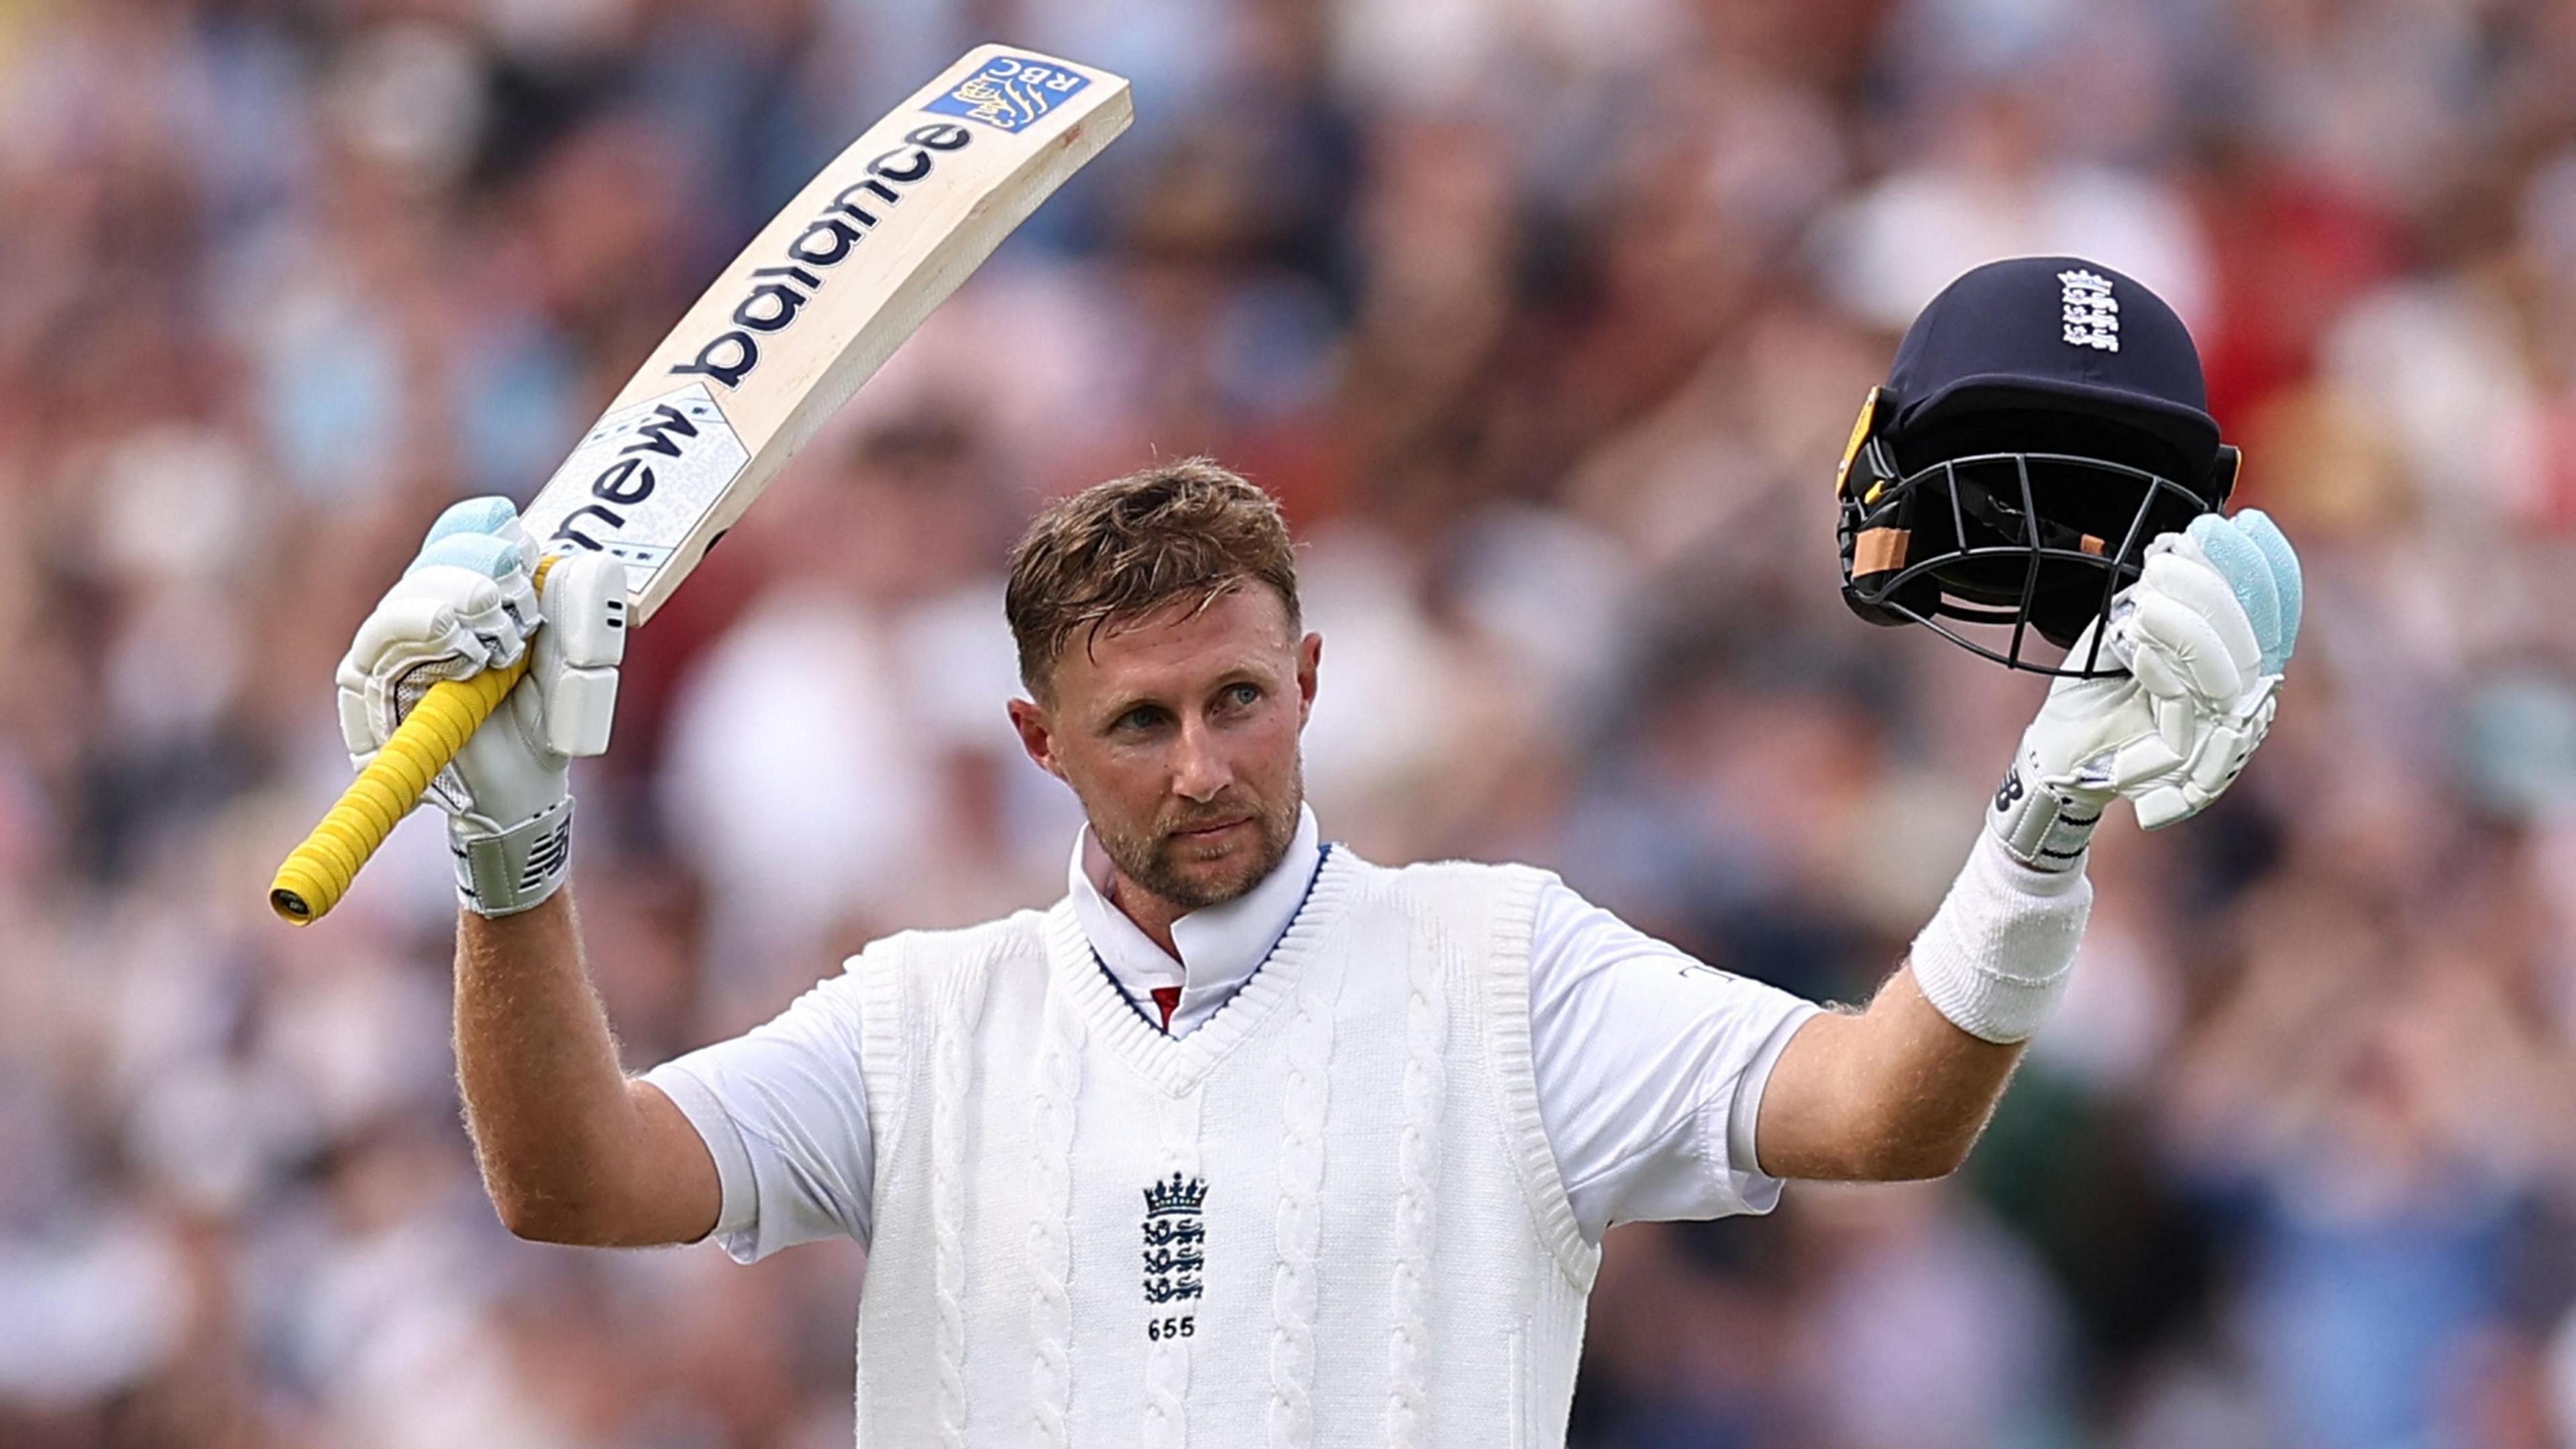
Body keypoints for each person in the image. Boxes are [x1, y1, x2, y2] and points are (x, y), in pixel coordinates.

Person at [334, 257, 2299, 1446]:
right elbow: (573, 1181)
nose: (1207, 765)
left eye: (1243, 701)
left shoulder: (1505, 970)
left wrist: (2042, 826)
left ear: (1314, 677)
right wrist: (511, 857)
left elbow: (1886, 1110)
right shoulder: (925, 1025)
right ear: (1037, 742)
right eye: (1140, 723)